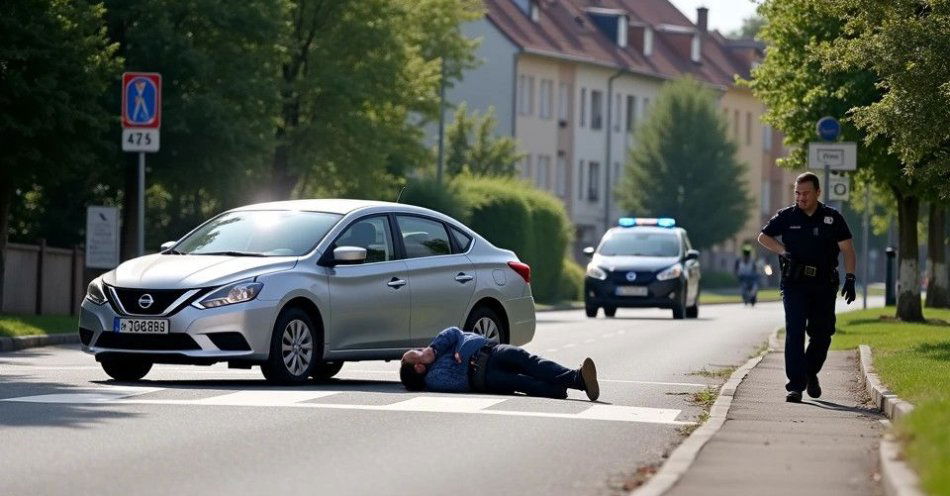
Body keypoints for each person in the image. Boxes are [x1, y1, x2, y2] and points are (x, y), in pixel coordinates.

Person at [758, 172, 857, 403]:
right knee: (794, 331)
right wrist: (782, 250)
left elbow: (848, 250)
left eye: (806, 193)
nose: (801, 198)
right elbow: (764, 237)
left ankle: (809, 371)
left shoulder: (832, 218)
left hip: (824, 284)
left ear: (818, 192)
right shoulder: (787, 216)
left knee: (822, 335)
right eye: (797, 193)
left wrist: (850, 278)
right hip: (795, 283)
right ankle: (795, 386)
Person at [399, 327, 599, 401]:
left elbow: (454, 332)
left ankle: (577, 378)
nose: (421, 349)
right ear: (418, 367)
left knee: (531, 362)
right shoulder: (434, 380)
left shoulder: (436, 349)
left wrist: (433, 349)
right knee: (525, 382)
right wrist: (458, 352)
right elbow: (461, 383)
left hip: (490, 351)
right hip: (486, 377)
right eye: (417, 353)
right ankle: (558, 388)